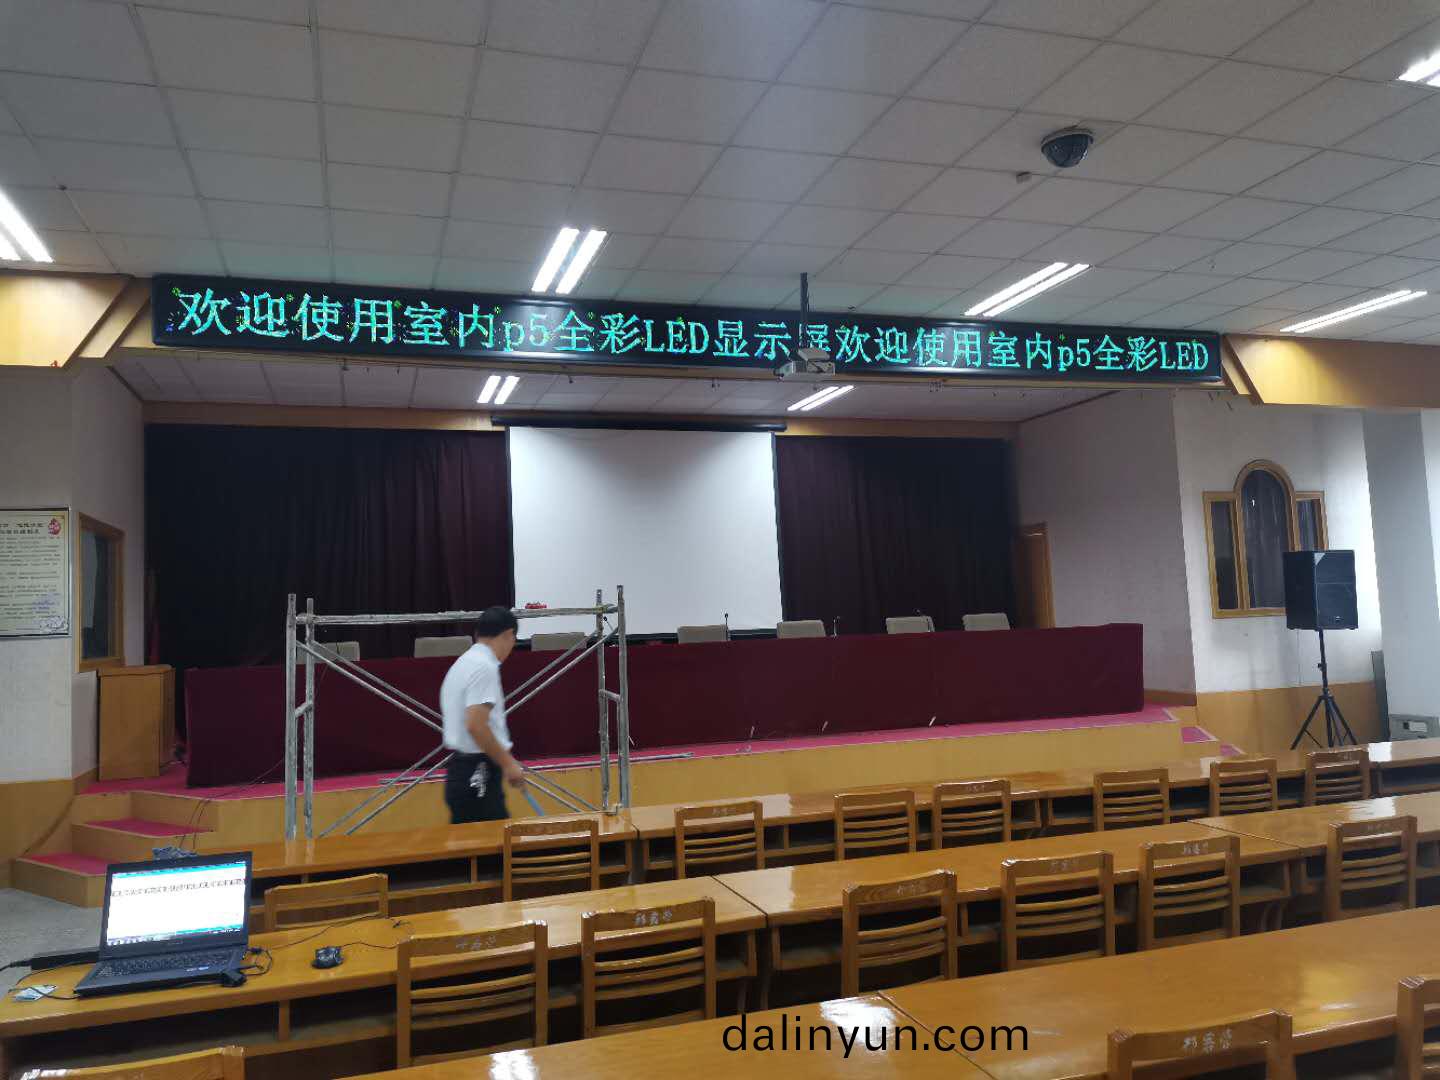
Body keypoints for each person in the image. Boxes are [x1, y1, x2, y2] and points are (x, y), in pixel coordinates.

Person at [439, 606, 525, 823]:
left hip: (462, 769)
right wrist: (508, 763)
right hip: (478, 771)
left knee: (472, 842)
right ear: (508, 634)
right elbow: (476, 725)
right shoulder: (484, 667)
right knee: (495, 841)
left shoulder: (463, 662)